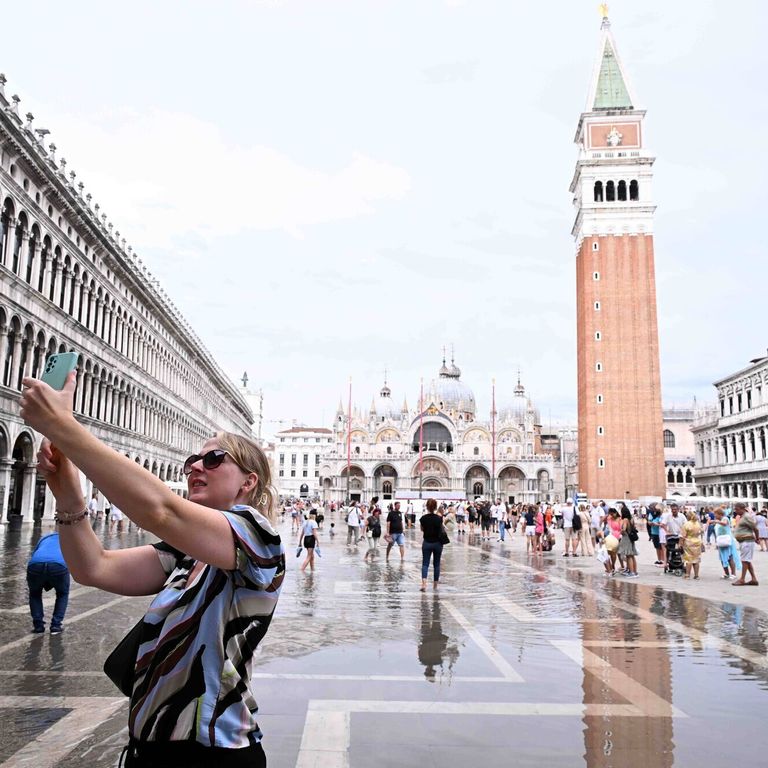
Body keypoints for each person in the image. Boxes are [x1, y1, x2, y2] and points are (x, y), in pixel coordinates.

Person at [21, 372, 284, 768]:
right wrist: (68, 493)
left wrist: (63, 426)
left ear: (248, 482)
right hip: (150, 748)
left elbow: (161, 510)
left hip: (214, 753)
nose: (196, 466)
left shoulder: (258, 540)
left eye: (213, 459)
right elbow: (94, 567)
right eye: (192, 459)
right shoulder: (186, 554)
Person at [26, 530, 70, 634]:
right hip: (58, 566)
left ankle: (38, 626)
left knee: (35, 594)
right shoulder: (68, 540)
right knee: (62, 593)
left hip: (35, 564)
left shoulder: (44, 538)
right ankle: (56, 625)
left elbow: (35, 554)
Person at [420, 498, 444, 591]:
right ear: (435, 507)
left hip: (427, 542)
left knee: (425, 564)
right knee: (436, 564)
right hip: (438, 543)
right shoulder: (439, 518)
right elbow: (441, 530)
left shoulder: (423, 518)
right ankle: (435, 586)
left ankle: (424, 584)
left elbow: (422, 529)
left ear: (427, 507)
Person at [732, 502, 759, 586]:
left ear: (742, 508)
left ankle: (742, 579)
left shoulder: (747, 516)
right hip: (744, 541)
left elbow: (755, 528)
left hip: (747, 541)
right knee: (747, 560)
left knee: (745, 560)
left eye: (737, 509)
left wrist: (757, 538)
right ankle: (754, 579)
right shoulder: (743, 516)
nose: (736, 511)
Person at [681, 510, 703, 579]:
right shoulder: (698, 523)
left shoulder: (686, 524)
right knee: (696, 560)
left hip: (689, 542)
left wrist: (681, 544)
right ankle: (696, 575)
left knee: (689, 559)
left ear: (688, 516)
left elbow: (683, 536)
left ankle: (687, 575)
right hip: (697, 541)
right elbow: (701, 532)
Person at [617, 507, 639, 577]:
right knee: (632, 555)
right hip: (631, 538)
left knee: (628, 555)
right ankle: (634, 571)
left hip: (626, 538)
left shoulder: (625, 520)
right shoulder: (631, 519)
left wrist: (621, 530)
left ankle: (631, 572)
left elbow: (624, 529)